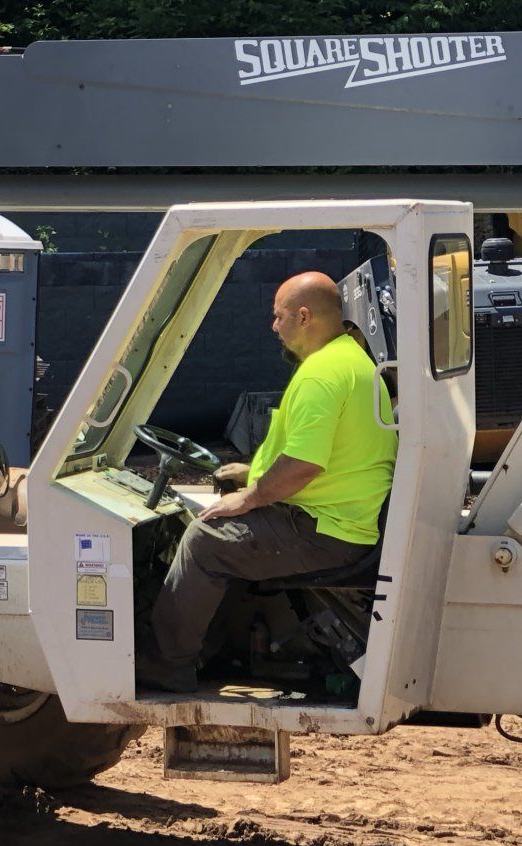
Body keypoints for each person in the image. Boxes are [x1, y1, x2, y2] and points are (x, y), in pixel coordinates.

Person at [138, 272, 397, 693]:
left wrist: (251, 497)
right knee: (224, 521)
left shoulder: (320, 375)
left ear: (304, 316)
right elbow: (328, 454)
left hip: (325, 530)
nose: (274, 326)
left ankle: (169, 663)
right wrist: (251, 474)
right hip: (344, 517)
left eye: (279, 316)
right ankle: (209, 649)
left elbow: (303, 464)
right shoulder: (350, 360)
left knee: (204, 540)